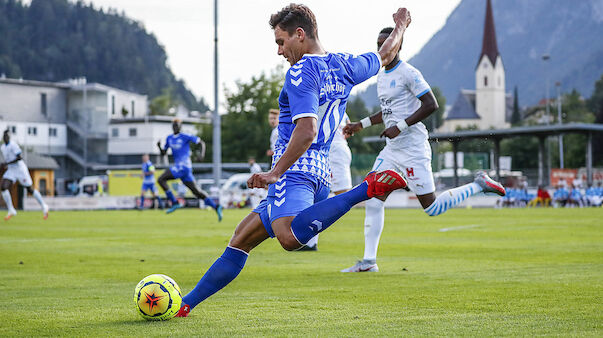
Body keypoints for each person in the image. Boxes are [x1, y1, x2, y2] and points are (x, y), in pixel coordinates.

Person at [174, 4, 412, 317]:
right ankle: (184, 305)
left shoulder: (301, 72)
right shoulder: (345, 64)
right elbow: (384, 55)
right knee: (241, 238)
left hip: (296, 169)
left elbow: (307, 130)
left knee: (287, 236)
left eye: (280, 41)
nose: (279, 51)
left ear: (299, 35)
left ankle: (367, 188)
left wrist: (275, 171)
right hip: (320, 172)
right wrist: (401, 27)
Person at [341, 27, 506, 273]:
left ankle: (479, 184)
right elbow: (386, 112)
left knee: (431, 207)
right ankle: (368, 261)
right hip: (391, 150)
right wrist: (360, 125)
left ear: (397, 45)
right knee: (374, 199)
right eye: (378, 44)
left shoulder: (409, 73)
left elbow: (431, 104)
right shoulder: (382, 75)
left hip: (413, 149)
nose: (381, 48)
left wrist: (401, 126)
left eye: (385, 43)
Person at [157, 119, 223, 220]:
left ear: (180, 126)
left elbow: (201, 143)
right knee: (196, 192)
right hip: (181, 169)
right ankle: (216, 207)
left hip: (184, 166)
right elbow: (164, 153)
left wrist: (202, 154)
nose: (176, 127)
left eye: (177, 125)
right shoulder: (169, 138)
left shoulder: (185, 136)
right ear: (172, 126)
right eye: (174, 125)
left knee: (161, 179)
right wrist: (159, 147)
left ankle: (174, 202)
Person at [0, 130, 49, 220]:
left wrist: (6, 163)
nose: (5, 137)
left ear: (9, 137)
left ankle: (44, 205)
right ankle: (11, 209)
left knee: (30, 189)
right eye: (4, 136)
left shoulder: (13, 145)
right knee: (3, 187)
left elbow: (19, 157)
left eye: (7, 136)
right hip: (11, 170)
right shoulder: (3, 147)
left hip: (20, 169)